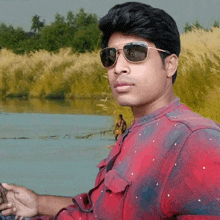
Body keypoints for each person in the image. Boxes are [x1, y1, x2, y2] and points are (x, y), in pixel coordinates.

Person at [0, 2, 220, 219]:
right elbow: (101, 209)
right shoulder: (136, 131)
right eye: (110, 57)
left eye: (135, 53)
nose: (118, 67)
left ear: (170, 65)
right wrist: (38, 203)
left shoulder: (196, 140)